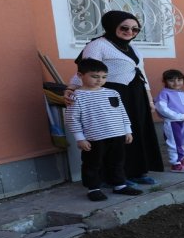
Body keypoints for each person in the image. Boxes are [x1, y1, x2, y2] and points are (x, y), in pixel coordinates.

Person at [69, 10, 163, 185]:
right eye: (125, 27)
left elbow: (141, 73)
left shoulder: (133, 48)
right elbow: (87, 68)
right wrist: (72, 87)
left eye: (135, 29)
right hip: (110, 95)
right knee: (115, 135)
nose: (130, 32)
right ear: (112, 26)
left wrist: (149, 99)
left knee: (136, 133)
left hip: (136, 95)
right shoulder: (98, 45)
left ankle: (136, 171)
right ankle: (115, 176)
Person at [63, 58, 144, 201]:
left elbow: (122, 112)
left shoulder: (112, 93)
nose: (100, 80)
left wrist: (127, 130)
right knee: (92, 163)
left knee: (117, 161)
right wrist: (80, 138)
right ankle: (93, 188)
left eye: (103, 77)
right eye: (95, 76)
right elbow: (72, 119)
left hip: (117, 134)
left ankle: (119, 185)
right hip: (94, 138)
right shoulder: (76, 96)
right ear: (81, 75)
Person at [154, 69, 184, 173]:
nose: (176, 83)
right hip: (173, 122)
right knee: (174, 143)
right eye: (172, 80)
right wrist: (181, 116)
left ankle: (180, 160)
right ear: (165, 81)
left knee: (182, 142)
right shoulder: (164, 94)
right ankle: (175, 164)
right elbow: (162, 108)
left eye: (179, 80)